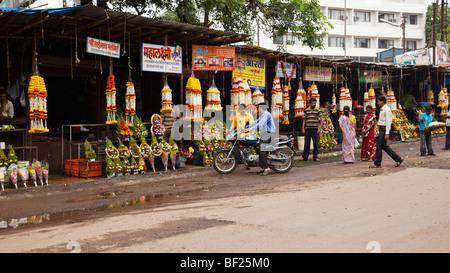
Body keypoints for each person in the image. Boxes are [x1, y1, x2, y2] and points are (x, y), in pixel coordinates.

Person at [369, 95, 404, 168]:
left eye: (378, 101)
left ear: (382, 102)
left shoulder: (387, 110)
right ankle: (398, 158)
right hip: (382, 128)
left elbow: (388, 122)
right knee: (384, 146)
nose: (377, 103)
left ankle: (377, 163)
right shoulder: (382, 109)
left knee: (379, 146)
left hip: (384, 129)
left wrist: (387, 133)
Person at [246, 102, 276, 176]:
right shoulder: (263, 115)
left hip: (268, 134)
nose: (258, 109)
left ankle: (266, 168)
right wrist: (246, 126)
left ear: (261, 108)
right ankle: (264, 167)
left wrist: (249, 130)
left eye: (258, 108)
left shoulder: (266, 114)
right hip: (264, 134)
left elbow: (260, 124)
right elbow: (257, 121)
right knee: (258, 148)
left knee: (261, 149)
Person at [299, 98, 322, 162]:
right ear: (310, 103)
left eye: (315, 103)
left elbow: (321, 119)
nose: (314, 104)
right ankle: (305, 157)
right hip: (308, 129)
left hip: (315, 129)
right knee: (306, 143)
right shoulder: (306, 111)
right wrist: (303, 128)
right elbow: (304, 119)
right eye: (313, 103)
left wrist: (319, 128)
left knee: (315, 143)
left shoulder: (318, 110)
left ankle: (315, 157)